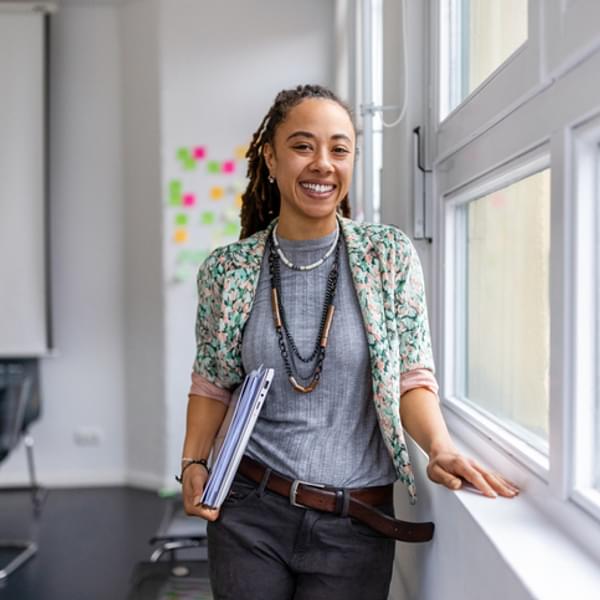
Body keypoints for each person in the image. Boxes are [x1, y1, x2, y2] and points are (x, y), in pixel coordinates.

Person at [179, 84, 519, 599]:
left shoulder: (387, 257)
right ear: (270, 157)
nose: (322, 163)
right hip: (249, 509)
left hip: (354, 522)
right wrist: (192, 463)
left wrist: (440, 446)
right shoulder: (229, 269)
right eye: (302, 146)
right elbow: (212, 382)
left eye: (339, 149)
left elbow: (411, 376)